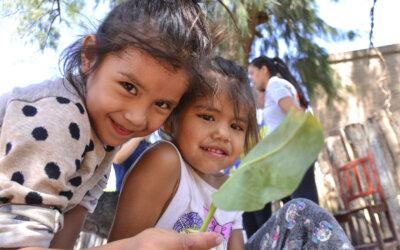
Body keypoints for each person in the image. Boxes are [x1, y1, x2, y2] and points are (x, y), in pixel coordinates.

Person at [0, 0, 225, 249]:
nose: (137, 117)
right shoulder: (59, 119)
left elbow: (63, 238)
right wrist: (136, 246)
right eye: (129, 87)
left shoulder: (105, 139)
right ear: (89, 58)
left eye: (162, 104)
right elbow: (14, 243)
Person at [109, 56, 260, 250]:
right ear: (171, 120)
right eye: (207, 117)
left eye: (236, 126)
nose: (224, 134)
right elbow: (121, 245)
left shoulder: (232, 189)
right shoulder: (165, 161)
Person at [242, 56, 320, 239]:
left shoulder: (274, 85)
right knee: (296, 205)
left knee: (306, 205)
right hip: (288, 158)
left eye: (252, 73)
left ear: (264, 69)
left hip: (294, 155)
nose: (251, 78)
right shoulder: (273, 88)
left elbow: (296, 116)